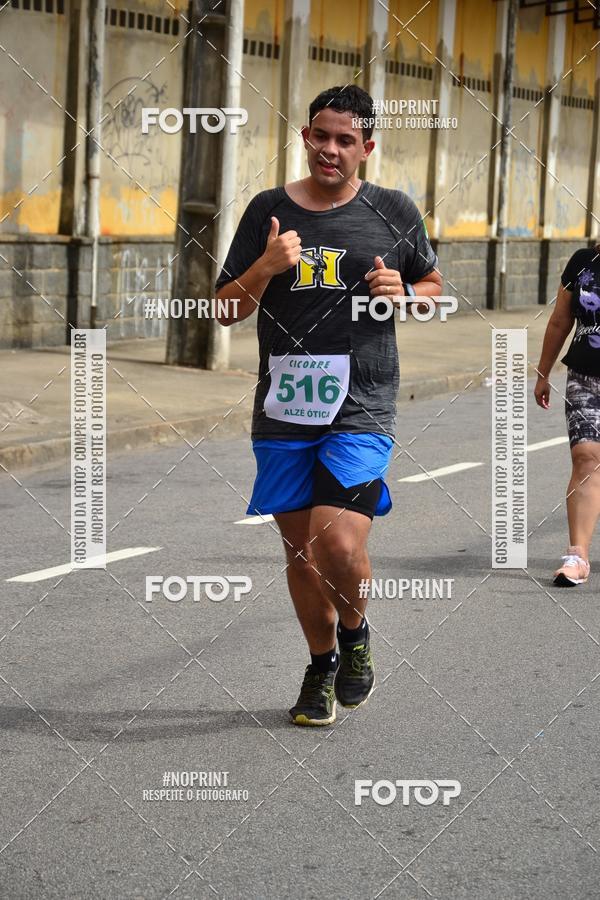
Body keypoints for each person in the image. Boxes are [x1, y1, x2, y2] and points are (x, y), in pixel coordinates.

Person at [215, 85, 442, 725]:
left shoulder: (395, 210)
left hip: (363, 402)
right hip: (283, 406)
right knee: (299, 552)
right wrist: (265, 265)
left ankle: (355, 631)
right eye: (321, 136)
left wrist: (407, 290)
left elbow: (432, 285)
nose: (331, 149)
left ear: (367, 147)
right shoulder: (268, 209)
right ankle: (320, 667)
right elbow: (226, 308)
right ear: (306, 138)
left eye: (346, 140)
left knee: (336, 540)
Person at [535, 243, 600, 586]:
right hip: (584, 378)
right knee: (585, 457)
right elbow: (561, 320)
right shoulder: (583, 262)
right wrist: (543, 372)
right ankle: (578, 556)